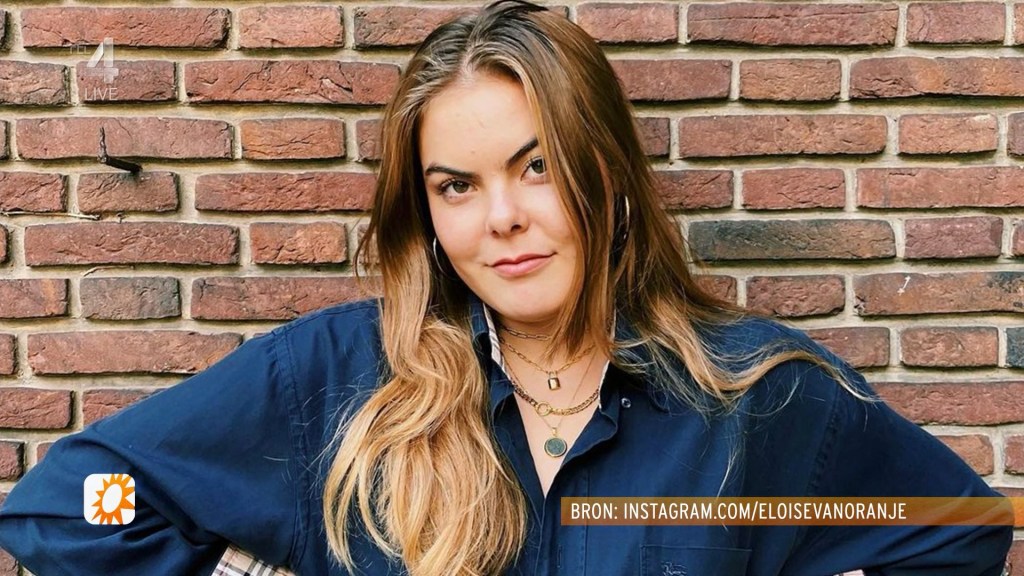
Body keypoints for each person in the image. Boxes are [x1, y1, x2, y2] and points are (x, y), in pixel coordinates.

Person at [0, 1, 1014, 575]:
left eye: (537, 168)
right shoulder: (338, 379)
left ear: (608, 175)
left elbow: (956, 531)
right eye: (457, 186)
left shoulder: (753, 397)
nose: (501, 219)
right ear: (426, 213)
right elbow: (74, 505)